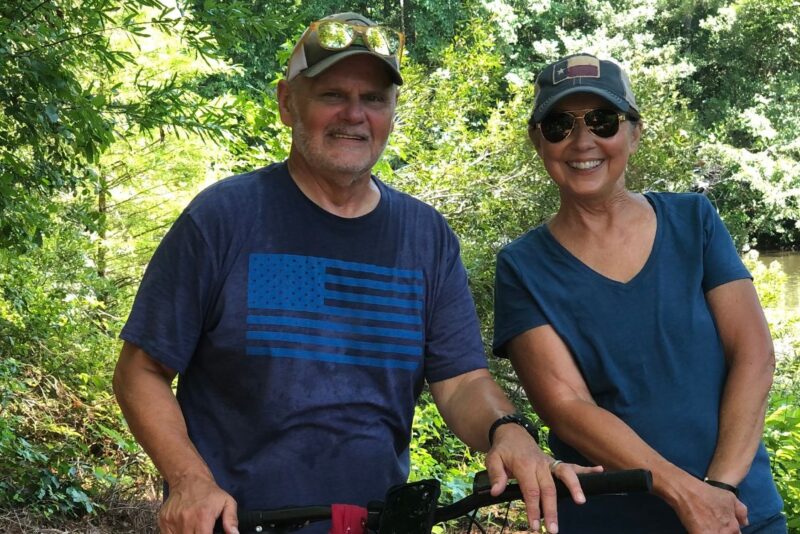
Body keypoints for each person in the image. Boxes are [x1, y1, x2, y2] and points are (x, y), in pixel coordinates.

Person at [113, 13, 596, 534]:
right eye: (331, 95)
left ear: (391, 112)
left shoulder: (425, 236)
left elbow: (460, 384)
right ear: (286, 103)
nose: (354, 114)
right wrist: (189, 481)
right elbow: (140, 372)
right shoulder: (224, 219)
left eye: (374, 98)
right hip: (237, 523)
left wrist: (507, 430)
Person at [492, 52, 786, 533]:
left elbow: (753, 352)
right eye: (559, 125)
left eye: (603, 121)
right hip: (615, 521)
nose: (583, 141)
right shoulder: (522, 267)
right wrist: (686, 492)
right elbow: (567, 408)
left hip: (741, 515)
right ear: (538, 141)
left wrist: (722, 489)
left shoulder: (695, 220)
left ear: (634, 131)